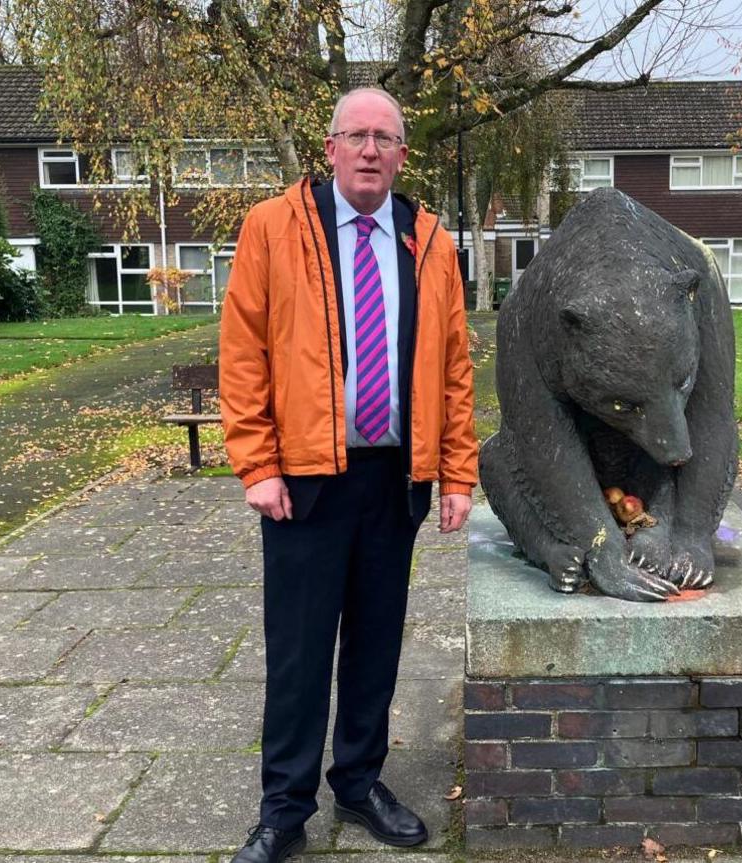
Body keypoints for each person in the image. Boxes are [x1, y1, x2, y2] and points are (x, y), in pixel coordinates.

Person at [219, 86, 478, 863]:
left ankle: (360, 781)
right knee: (298, 651)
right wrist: (257, 464)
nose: (370, 150)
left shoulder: (429, 242)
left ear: (402, 154)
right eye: (356, 135)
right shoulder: (272, 228)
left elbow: (455, 369)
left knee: (375, 644)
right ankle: (285, 807)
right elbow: (242, 353)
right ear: (328, 149)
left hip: (397, 478)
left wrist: (458, 473)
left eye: (385, 138)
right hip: (303, 481)